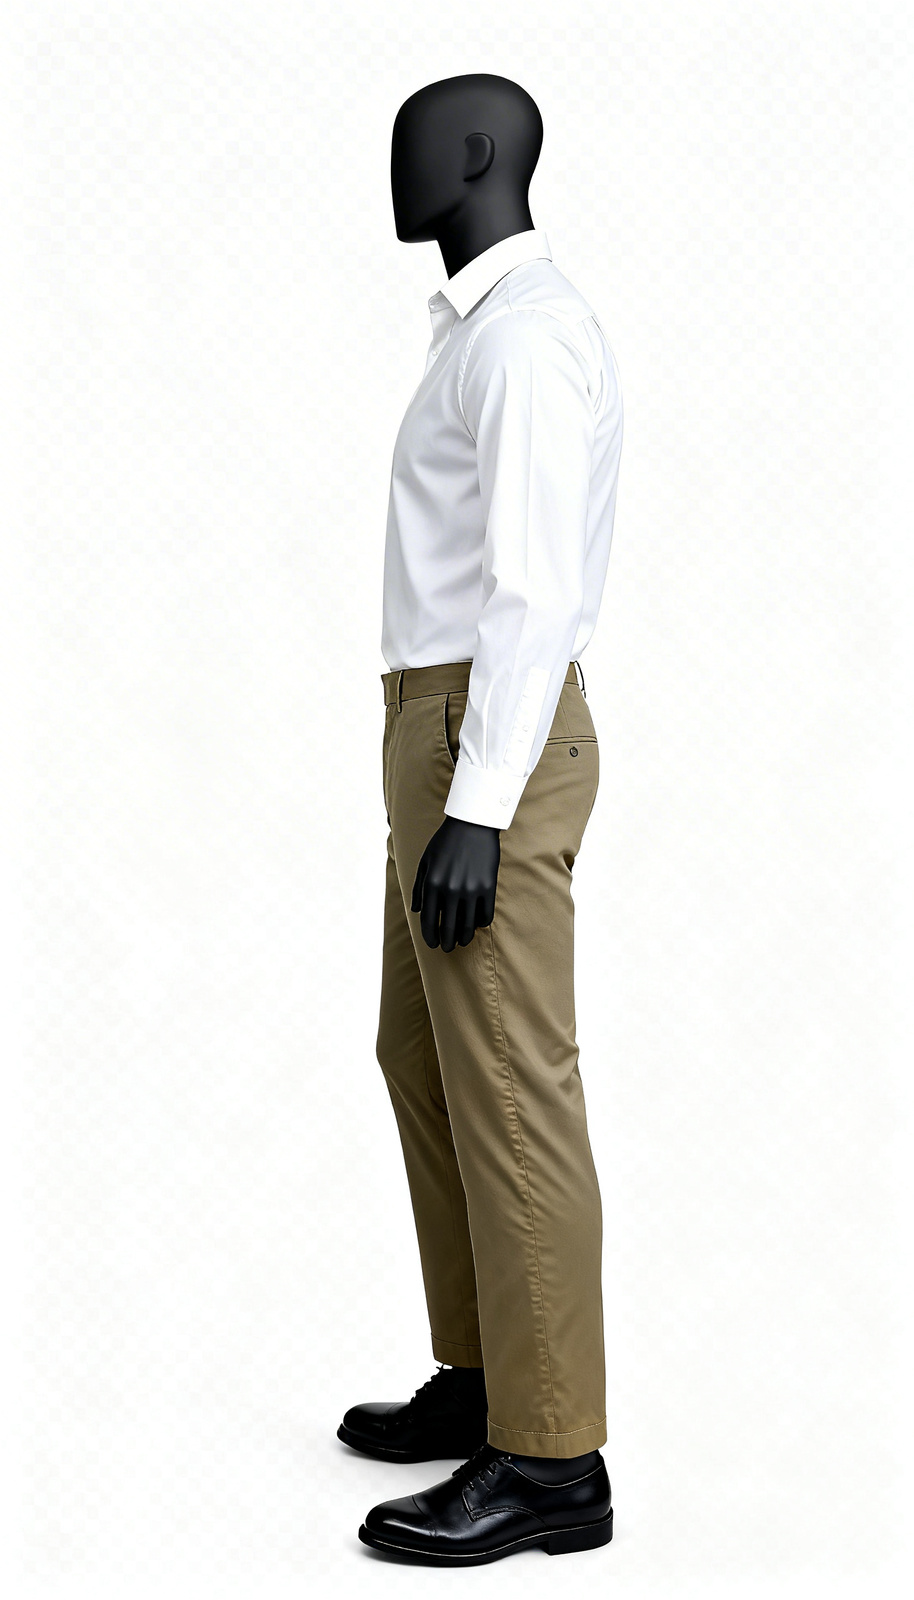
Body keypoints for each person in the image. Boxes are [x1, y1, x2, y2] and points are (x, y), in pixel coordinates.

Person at [338, 72, 624, 1565]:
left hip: (480, 737)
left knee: (511, 1090)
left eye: (415, 141)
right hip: (441, 731)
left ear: (474, 156)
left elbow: (534, 588)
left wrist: (479, 805)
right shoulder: (476, 334)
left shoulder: (520, 339)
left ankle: (552, 1457)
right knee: (425, 1057)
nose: (396, 165)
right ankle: (488, 1376)